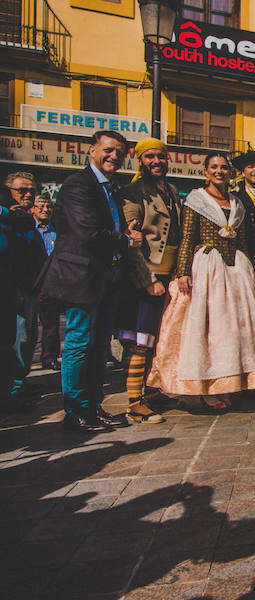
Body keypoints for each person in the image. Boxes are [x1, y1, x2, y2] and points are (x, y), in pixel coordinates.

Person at [38, 130, 144, 432]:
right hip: (81, 276)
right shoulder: (78, 185)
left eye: (119, 153)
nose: (114, 157)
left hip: (107, 277)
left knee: (99, 346)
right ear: (92, 151)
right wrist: (126, 240)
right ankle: (75, 412)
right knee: (78, 342)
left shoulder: (112, 189)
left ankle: (94, 407)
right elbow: (87, 232)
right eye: (108, 150)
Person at [146, 152, 255, 412]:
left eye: (224, 168)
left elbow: (243, 240)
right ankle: (207, 388)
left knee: (234, 330)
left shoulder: (237, 203)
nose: (219, 172)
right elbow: (188, 238)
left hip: (235, 269)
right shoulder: (197, 200)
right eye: (214, 167)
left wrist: (251, 270)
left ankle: (231, 382)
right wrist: (183, 272)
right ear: (206, 171)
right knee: (209, 328)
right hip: (208, 266)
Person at [117, 138, 182, 424]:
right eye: (150, 157)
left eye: (161, 156)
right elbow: (132, 242)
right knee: (139, 339)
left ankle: (153, 391)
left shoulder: (172, 190)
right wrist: (148, 279)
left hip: (168, 274)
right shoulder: (132, 193)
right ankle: (134, 402)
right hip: (146, 275)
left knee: (158, 337)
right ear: (139, 160)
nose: (156, 161)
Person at [1, 186, 39, 412]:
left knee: (27, 340)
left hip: (30, 287)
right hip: (13, 288)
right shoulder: (8, 219)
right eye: (21, 190)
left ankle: (17, 386)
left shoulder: (25, 221)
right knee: (15, 341)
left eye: (32, 190)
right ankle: (11, 391)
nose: (28, 194)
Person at [32, 194, 60, 371]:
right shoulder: (29, 229)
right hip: (32, 282)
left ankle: (50, 356)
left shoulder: (57, 229)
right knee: (28, 328)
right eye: (41, 206)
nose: (45, 210)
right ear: (33, 209)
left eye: (48, 206)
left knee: (51, 323)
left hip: (52, 283)